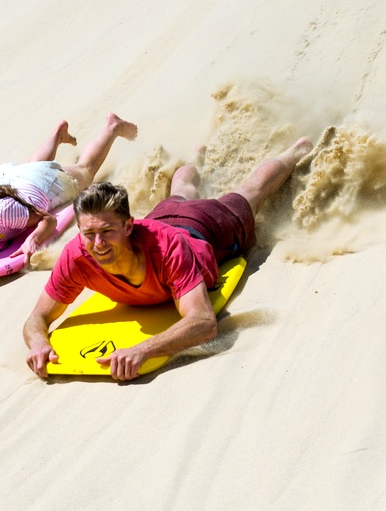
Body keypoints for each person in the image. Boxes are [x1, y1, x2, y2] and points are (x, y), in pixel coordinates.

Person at [23, 136, 313, 379]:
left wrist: (144, 349)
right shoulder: (77, 256)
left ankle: (296, 150)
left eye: (107, 231)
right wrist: (38, 343)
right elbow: (38, 316)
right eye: (89, 233)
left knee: (249, 192)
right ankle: (196, 160)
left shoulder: (168, 250)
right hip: (161, 219)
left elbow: (203, 322)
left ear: (127, 226)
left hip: (203, 227)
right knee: (181, 191)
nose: (97, 244)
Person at [0, 114, 138, 266]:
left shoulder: (3, 213)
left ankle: (113, 127)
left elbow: (48, 220)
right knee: (32, 164)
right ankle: (57, 135)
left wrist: (33, 239)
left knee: (84, 171)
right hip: (6, 180)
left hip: (36, 185)